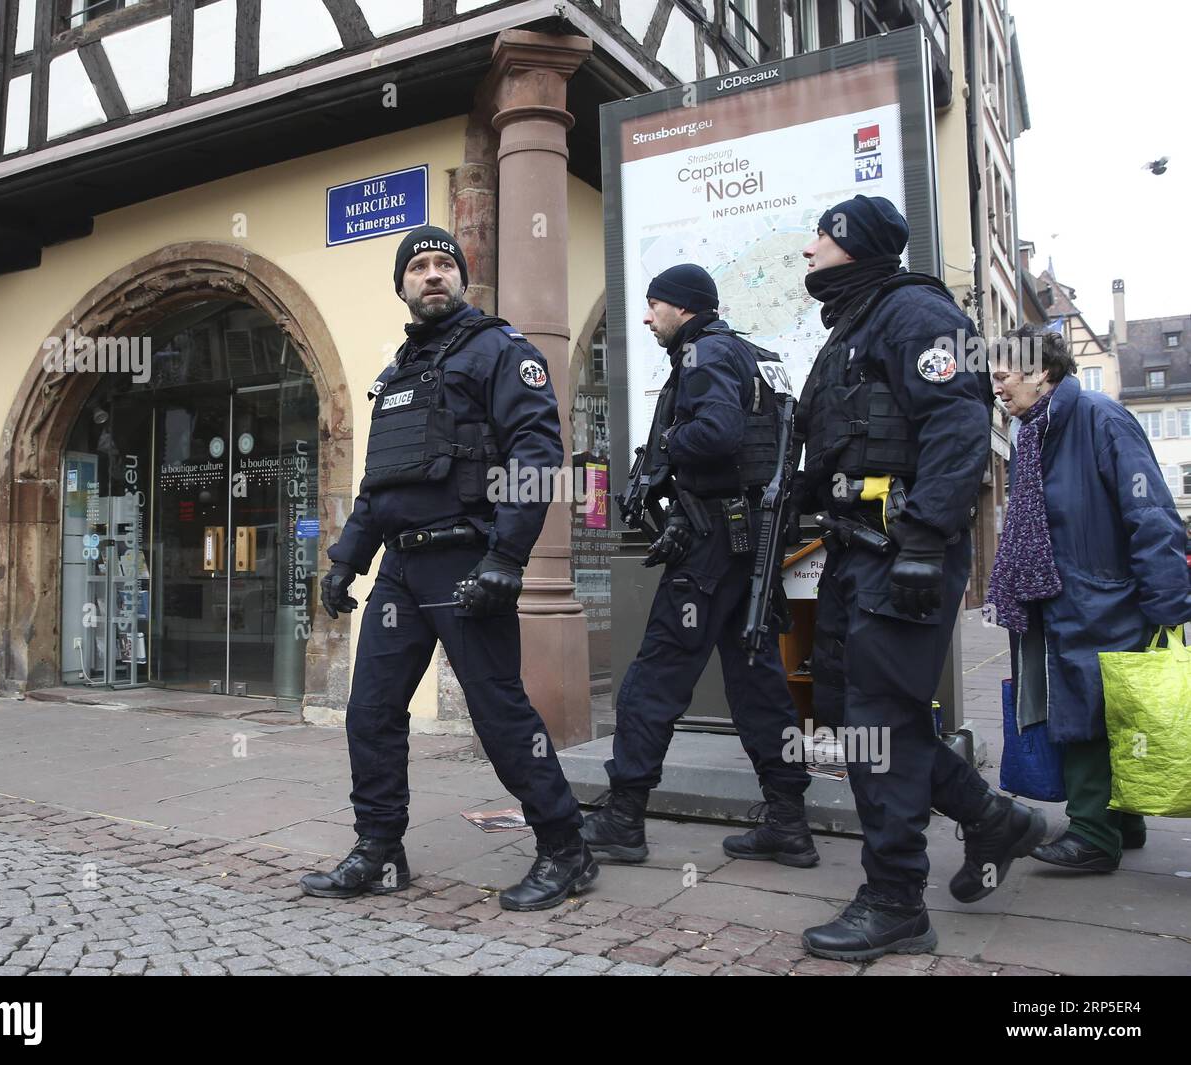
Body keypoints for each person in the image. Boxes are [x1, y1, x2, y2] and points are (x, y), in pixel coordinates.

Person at [300, 225, 597, 911]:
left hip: (469, 561)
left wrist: (507, 555)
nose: (432, 274)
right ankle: (378, 849)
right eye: (418, 266)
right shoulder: (398, 372)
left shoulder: (499, 348)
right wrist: (346, 561)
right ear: (402, 285)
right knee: (369, 711)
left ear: (461, 279)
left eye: (444, 264)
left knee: (498, 713)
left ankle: (565, 847)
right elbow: (382, 483)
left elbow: (535, 451)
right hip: (402, 571)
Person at [794, 195, 1046, 961]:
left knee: (882, 721)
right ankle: (993, 818)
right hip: (852, 553)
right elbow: (840, 447)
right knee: (850, 709)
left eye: (822, 238)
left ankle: (897, 898)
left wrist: (925, 540)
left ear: (856, 246)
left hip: (900, 553)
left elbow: (958, 426)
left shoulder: (917, 316)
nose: (808, 251)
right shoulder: (852, 330)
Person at [579, 264, 817, 868]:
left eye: (654, 304)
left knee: (656, 676)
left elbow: (716, 432)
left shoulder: (703, 356)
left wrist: (661, 450)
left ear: (682, 308)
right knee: (757, 679)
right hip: (748, 539)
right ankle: (788, 820)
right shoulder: (756, 355)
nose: (647, 316)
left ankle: (623, 817)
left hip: (714, 541)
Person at [988, 326, 1191, 871]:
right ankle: (1124, 820)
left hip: (1102, 596)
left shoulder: (1099, 418)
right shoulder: (1039, 429)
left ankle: (1093, 836)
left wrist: (1169, 604)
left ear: (1040, 373)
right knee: (1101, 707)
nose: (997, 387)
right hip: (1070, 594)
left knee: (1087, 710)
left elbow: (1150, 514)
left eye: (1004, 374)